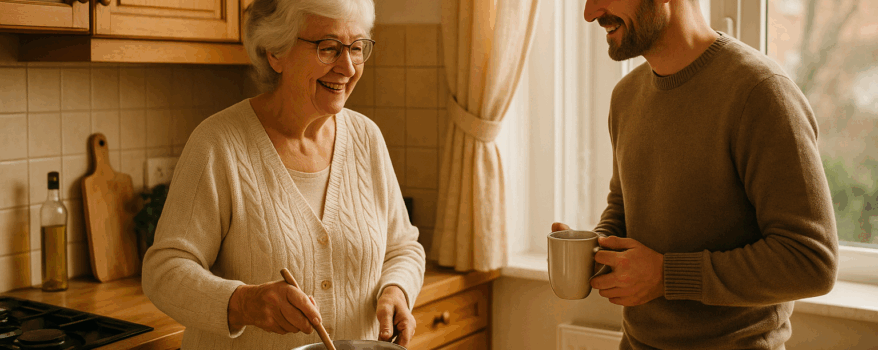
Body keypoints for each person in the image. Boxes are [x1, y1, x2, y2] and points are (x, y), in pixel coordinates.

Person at [553, 0, 839, 349]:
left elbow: (811, 261)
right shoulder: (625, 96)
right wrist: (595, 249)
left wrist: (665, 276)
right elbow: (624, 207)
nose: (590, 12)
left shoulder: (762, 91)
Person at [141, 1, 426, 349]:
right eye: (329, 48)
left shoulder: (367, 139)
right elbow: (164, 272)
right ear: (276, 51)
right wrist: (243, 303)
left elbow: (403, 248)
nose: (348, 67)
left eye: (356, 47)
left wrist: (395, 290)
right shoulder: (219, 144)